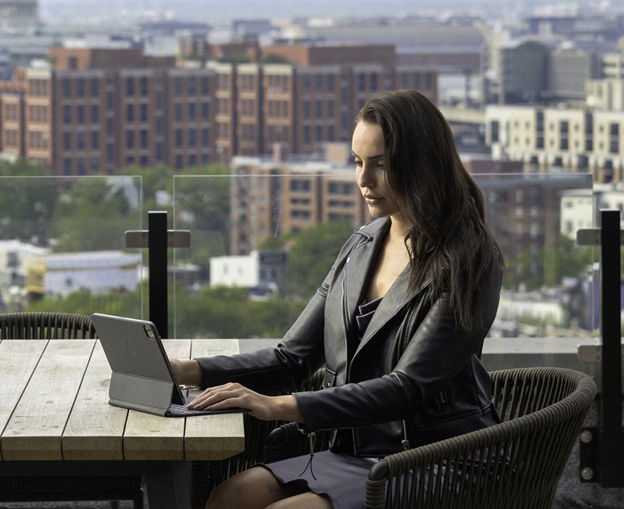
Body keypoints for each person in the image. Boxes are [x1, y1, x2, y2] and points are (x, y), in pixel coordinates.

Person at [172, 89, 504, 509]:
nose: (364, 180)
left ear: (422, 165)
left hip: (437, 458)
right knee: (230, 496)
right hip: (354, 452)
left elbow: (407, 389)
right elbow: (290, 358)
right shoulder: (362, 245)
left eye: (381, 165)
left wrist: (278, 407)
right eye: (358, 162)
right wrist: (188, 370)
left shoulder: (470, 260)